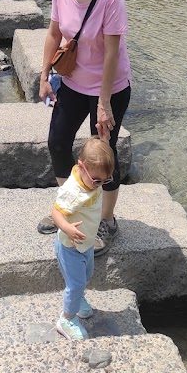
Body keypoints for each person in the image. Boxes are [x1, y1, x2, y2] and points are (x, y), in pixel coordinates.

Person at [39, 0, 132, 256]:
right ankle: (70, 207)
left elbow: (112, 53)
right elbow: (53, 34)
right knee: (57, 141)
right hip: (73, 82)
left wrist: (104, 103)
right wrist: (44, 75)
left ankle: (106, 218)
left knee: (104, 153)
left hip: (110, 87)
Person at [52, 136, 115, 341]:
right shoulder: (73, 191)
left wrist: (103, 138)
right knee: (76, 283)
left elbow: (100, 151)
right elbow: (55, 212)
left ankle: (78, 301)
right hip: (70, 245)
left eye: (106, 180)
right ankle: (67, 319)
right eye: (97, 181)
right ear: (81, 167)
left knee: (86, 276)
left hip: (85, 243)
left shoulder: (91, 181)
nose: (100, 185)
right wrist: (66, 227)